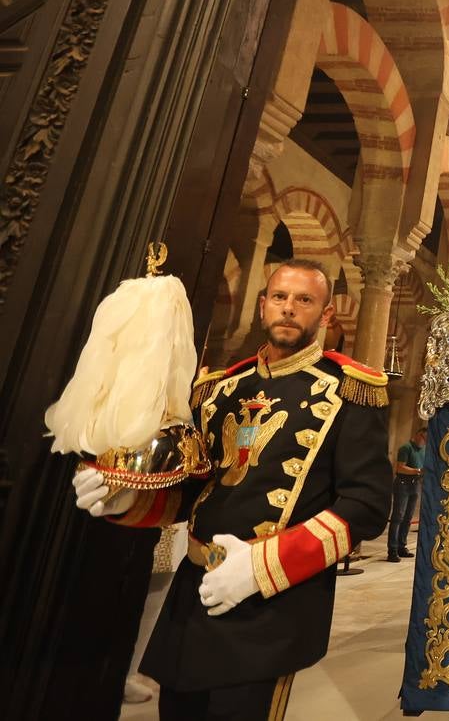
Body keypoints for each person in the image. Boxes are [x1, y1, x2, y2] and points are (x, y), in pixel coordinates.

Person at [72, 258, 393, 720]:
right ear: (263, 306)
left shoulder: (349, 391)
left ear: (325, 316)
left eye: (304, 300)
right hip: (195, 589)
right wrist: (128, 497)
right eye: (280, 297)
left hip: (271, 601)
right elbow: (194, 490)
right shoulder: (221, 389)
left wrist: (262, 567)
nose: (289, 309)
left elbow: (365, 506)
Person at [387, 426, 428, 562]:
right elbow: (400, 467)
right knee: (398, 516)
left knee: (408, 518)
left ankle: (401, 547)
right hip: (403, 484)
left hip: (415, 484)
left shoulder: (423, 450)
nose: (424, 441)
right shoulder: (406, 448)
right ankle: (392, 549)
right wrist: (418, 471)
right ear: (418, 435)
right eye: (424, 438)